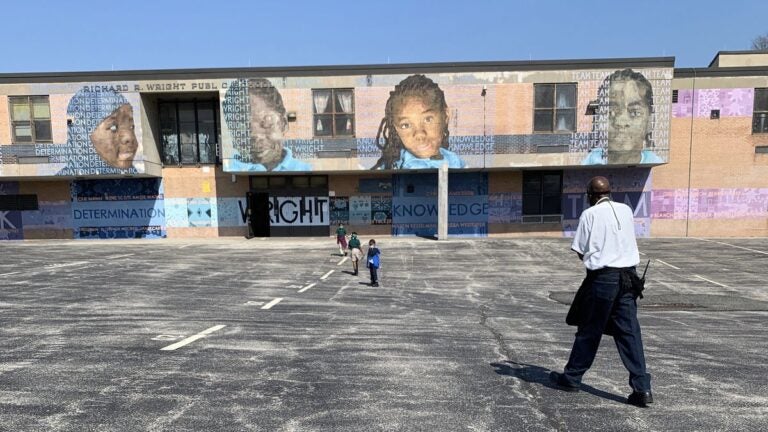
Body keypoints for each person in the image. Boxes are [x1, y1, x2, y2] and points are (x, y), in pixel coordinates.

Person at [550, 176, 653, 408]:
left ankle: (572, 377)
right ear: (609, 192)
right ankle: (642, 388)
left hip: (604, 279)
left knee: (589, 329)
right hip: (629, 278)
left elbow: (580, 250)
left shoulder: (589, 214)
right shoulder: (626, 210)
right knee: (629, 333)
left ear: (590, 195)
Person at [372, 74, 466, 170]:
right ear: (396, 128)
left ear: (445, 116)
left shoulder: (455, 161)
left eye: (428, 119)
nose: (419, 134)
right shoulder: (391, 168)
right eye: (406, 125)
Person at [224, 78, 311, 172]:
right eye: (243, 127)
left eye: (266, 123)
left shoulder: (305, 169)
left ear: (284, 123)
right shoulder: (230, 167)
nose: (256, 136)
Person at [582, 69, 663, 165]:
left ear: (650, 120)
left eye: (634, 112)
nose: (621, 122)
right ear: (599, 119)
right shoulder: (588, 162)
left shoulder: (657, 164)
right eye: (611, 111)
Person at [58, 88, 140, 176]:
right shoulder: (62, 183)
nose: (129, 137)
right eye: (113, 127)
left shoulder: (142, 181)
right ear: (82, 134)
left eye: (132, 126)